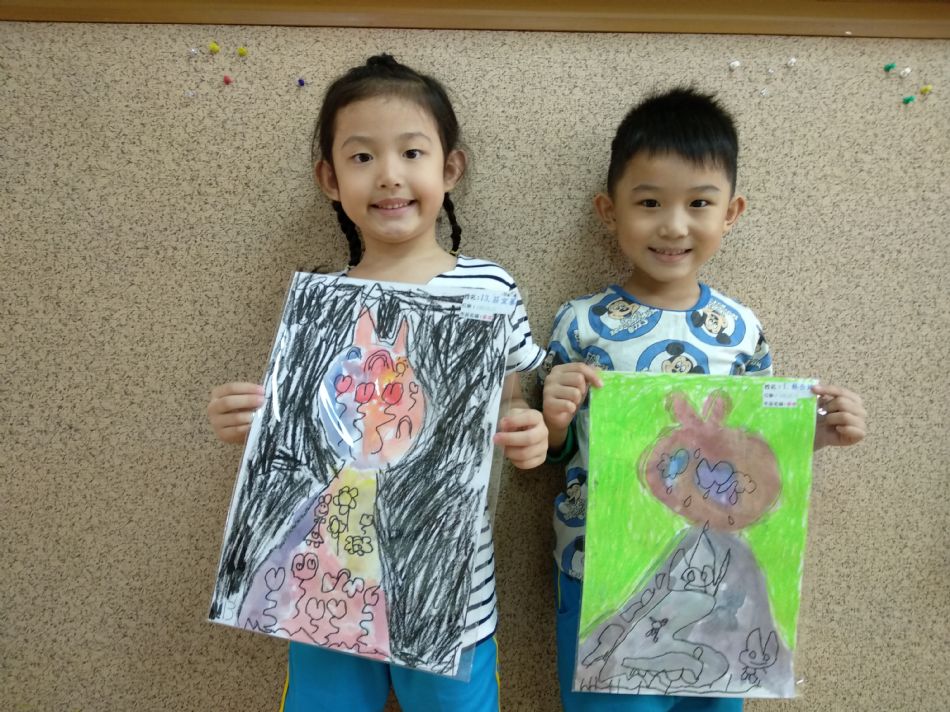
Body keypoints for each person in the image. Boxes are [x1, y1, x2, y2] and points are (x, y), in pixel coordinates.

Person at [207, 54, 548, 712]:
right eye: (363, 157)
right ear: (329, 179)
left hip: (449, 597)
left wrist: (528, 432)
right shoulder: (320, 304)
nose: (390, 175)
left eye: (412, 153)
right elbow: (296, 434)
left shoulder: (488, 287)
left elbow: (510, 404)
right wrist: (248, 422)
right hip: (325, 593)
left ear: (450, 169)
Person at [540, 87, 867, 712]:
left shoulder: (741, 330)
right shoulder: (579, 324)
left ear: (731, 213)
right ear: (609, 210)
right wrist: (553, 420)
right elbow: (550, 452)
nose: (674, 225)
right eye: (649, 202)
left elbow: (759, 446)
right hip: (601, 570)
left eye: (699, 203)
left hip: (718, 580)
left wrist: (815, 433)